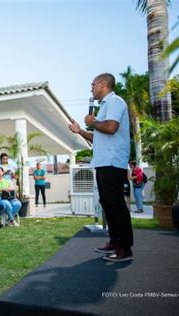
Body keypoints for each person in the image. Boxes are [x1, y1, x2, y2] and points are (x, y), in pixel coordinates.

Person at [68, 73, 133, 263]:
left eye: (93, 84)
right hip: (102, 162)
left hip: (113, 162)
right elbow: (99, 137)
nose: (91, 88)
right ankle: (114, 241)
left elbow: (111, 128)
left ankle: (125, 248)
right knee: (107, 204)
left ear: (103, 84)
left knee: (116, 205)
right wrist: (80, 130)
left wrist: (93, 122)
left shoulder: (115, 102)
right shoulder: (105, 106)